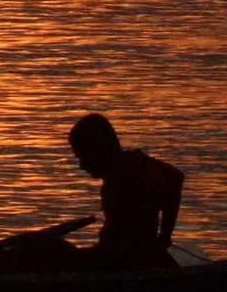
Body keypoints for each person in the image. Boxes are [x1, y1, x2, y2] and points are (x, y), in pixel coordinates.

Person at [68, 112, 184, 268]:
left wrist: (164, 237)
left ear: (98, 151)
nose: (81, 165)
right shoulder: (131, 164)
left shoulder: (131, 171)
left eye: (82, 157)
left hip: (125, 260)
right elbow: (175, 178)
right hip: (113, 255)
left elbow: (175, 178)